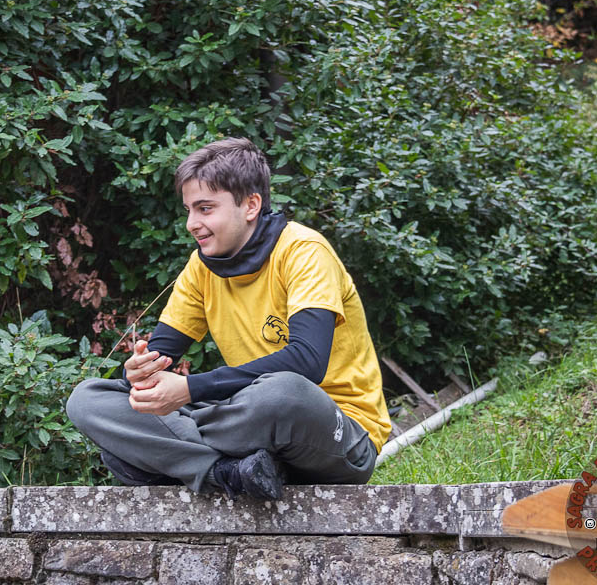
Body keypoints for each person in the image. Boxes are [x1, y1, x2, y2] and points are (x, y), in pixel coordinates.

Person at [66, 137, 391, 500]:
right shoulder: (201, 267)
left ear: (251, 205)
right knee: (87, 399)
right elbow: (159, 357)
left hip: (336, 432)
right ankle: (228, 472)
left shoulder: (304, 251)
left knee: (284, 393)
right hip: (246, 427)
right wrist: (141, 374)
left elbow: (307, 363)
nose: (192, 223)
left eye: (205, 208)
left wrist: (188, 391)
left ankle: (165, 456)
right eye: (189, 210)